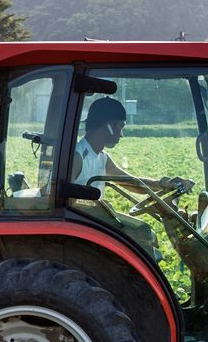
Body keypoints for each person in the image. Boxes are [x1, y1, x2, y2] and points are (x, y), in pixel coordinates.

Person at [69, 96, 168, 257]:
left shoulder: (102, 158)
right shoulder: (78, 157)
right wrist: (95, 206)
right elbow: (59, 198)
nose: (121, 135)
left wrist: (162, 184)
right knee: (142, 232)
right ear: (109, 125)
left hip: (94, 219)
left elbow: (132, 183)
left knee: (146, 235)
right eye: (120, 127)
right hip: (83, 225)